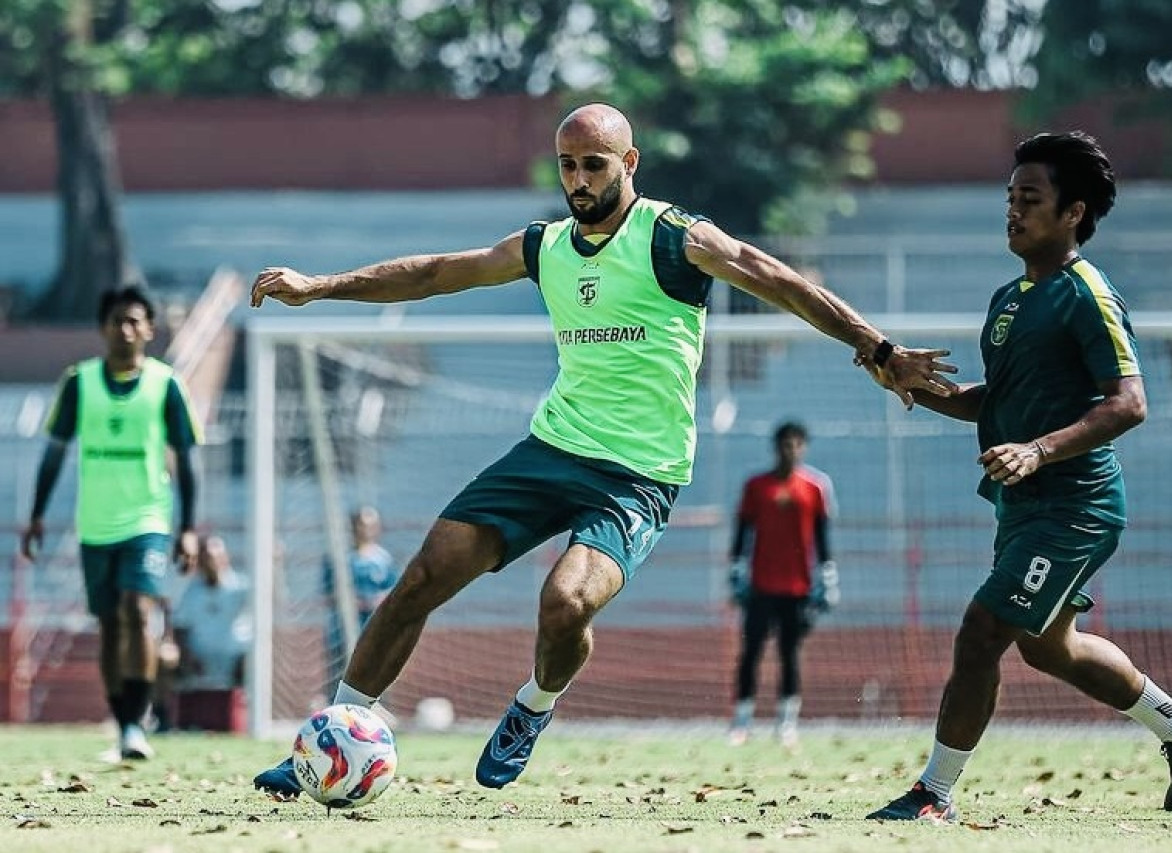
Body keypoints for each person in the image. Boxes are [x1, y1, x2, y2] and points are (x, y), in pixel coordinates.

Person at [248, 102, 958, 798]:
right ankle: (336, 734)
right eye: (568, 165)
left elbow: (775, 278)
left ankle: (534, 701)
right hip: (552, 448)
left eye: (594, 164)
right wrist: (319, 288)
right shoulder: (546, 246)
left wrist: (877, 347)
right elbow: (436, 271)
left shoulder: (673, 237)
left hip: (638, 476)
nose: (579, 179)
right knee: (423, 576)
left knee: (564, 604)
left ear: (629, 163)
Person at [863, 132, 1172, 822]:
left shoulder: (1088, 294)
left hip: (1076, 505)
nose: (1013, 210)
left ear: (1072, 213)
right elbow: (988, 403)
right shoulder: (1008, 298)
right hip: (1024, 506)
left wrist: (1038, 450)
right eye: (1010, 198)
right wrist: (902, 381)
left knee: (981, 631)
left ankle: (933, 794)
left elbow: (1129, 402)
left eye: (1030, 199)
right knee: (1048, 647)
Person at [19, 285, 202, 761]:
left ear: (149, 329)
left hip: (148, 520)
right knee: (110, 626)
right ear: (103, 327)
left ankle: (138, 725)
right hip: (95, 525)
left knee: (138, 612)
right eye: (116, 320)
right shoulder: (79, 383)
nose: (125, 329)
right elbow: (54, 452)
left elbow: (186, 456)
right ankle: (122, 725)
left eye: (134, 321)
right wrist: (37, 515)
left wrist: (187, 526)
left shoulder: (166, 385)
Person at [727, 421, 837, 748]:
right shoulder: (756, 486)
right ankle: (741, 722)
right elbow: (742, 531)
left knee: (790, 655)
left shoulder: (815, 487)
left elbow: (821, 535)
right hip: (760, 586)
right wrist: (736, 571)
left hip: (798, 589)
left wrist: (827, 577)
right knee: (751, 653)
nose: (790, 450)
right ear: (776, 447)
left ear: (803, 447)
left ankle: (786, 724)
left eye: (796, 444)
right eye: (785, 444)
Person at [171, 534, 251, 695]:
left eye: (214, 557)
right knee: (167, 660)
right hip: (200, 660)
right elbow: (179, 628)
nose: (210, 563)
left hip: (236, 658)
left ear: (225, 558)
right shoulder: (190, 592)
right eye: (206, 558)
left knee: (255, 663)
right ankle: (166, 714)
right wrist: (187, 656)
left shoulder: (242, 587)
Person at [347, 506, 398, 629]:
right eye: (363, 525)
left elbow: (392, 588)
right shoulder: (343, 558)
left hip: (375, 620)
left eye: (372, 526)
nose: (367, 531)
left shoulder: (384, 558)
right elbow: (328, 592)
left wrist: (376, 602)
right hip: (347, 621)